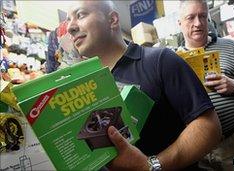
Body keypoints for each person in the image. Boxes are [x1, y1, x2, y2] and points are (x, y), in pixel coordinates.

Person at [66, 1, 221, 170]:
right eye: (68, 20)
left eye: (80, 15)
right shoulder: (85, 87)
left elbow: (209, 127)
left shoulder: (160, 60)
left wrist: (150, 166)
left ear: (112, 20)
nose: (70, 27)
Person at [177, 0, 234, 170]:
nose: (198, 23)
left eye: (203, 16)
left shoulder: (230, 46)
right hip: (197, 150)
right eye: (190, 17)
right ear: (179, 23)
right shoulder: (173, 60)